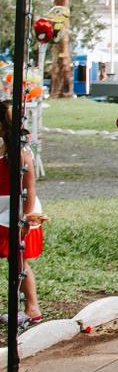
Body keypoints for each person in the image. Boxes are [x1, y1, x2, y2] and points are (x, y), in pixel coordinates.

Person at [1, 98, 45, 330]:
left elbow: (30, 188)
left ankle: (32, 307)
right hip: (4, 211)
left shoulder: (21, 152)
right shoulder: (6, 147)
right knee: (15, 261)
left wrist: (26, 218)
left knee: (19, 261)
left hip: (16, 212)